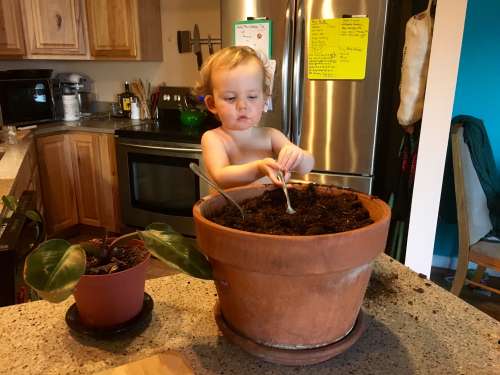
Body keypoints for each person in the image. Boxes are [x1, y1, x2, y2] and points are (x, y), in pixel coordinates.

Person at [193, 46, 314, 189]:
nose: (242, 105)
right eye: (230, 98)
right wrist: (259, 168)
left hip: (265, 208)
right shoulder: (213, 138)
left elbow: (307, 166)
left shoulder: (270, 136)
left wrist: (299, 156)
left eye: (252, 97)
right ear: (212, 103)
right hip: (230, 210)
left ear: (264, 100)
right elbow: (221, 176)